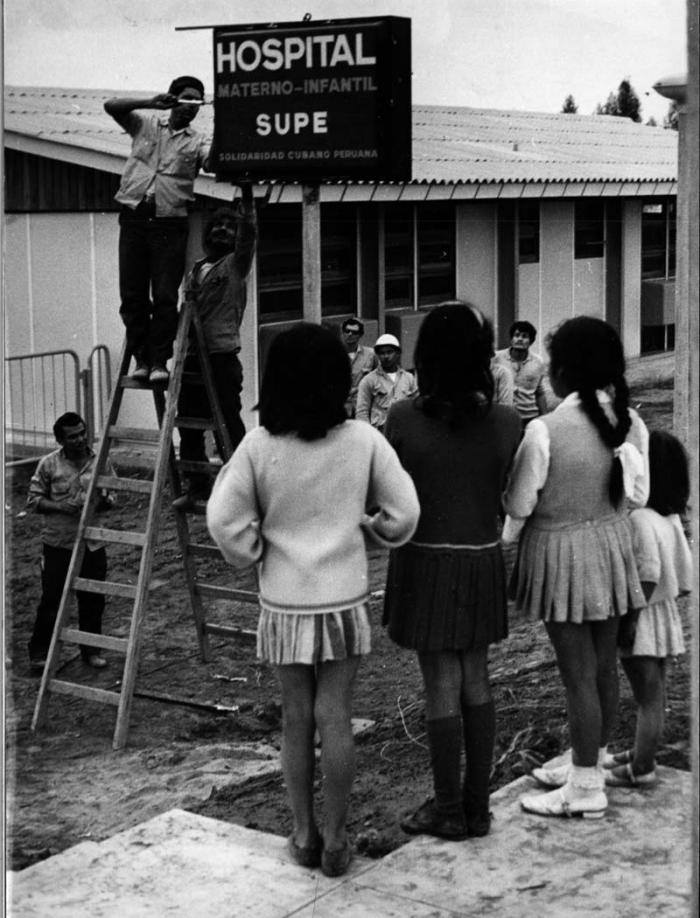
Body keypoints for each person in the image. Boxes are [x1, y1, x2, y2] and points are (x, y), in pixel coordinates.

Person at [206, 323, 419, 877]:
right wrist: (371, 533)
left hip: (283, 603)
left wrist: (257, 549)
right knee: (337, 717)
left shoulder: (258, 445)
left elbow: (223, 520)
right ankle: (338, 836)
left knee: (296, 718)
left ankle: (302, 832)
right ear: (335, 378)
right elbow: (406, 513)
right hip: (343, 600)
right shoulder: (364, 441)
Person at [383, 301, 522, 840]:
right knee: (477, 677)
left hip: (425, 560)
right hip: (482, 558)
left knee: (439, 680)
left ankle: (446, 807)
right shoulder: (508, 422)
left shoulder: (402, 419)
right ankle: (477, 806)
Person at [503, 316, 649, 818]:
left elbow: (519, 504)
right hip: (611, 551)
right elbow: (639, 495)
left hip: (560, 558)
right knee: (602, 665)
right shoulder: (631, 422)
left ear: (561, 372)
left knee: (577, 677)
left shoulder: (545, 430)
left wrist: (504, 539)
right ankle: (592, 758)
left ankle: (585, 788)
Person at [104, 76, 211, 384]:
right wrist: (151, 102)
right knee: (132, 293)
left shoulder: (198, 140)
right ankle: (141, 357)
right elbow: (111, 106)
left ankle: (159, 360)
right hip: (135, 215)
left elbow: (212, 159)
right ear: (173, 98)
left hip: (170, 220)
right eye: (186, 99)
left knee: (165, 294)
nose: (190, 107)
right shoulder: (146, 125)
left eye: (197, 102)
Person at [603, 430, 693, 787]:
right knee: (656, 695)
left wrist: (630, 618)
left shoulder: (640, 520)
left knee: (647, 699)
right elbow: (681, 572)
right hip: (664, 615)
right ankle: (642, 754)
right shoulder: (670, 518)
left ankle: (642, 768)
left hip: (641, 617)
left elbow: (649, 573)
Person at [176, 184, 257, 504]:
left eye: (229, 227)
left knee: (227, 420)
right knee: (189, 423)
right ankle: (197, 484)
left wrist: (247, 204)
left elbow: (249, 234)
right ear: (208, 233)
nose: (223, 230)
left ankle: (241, 487)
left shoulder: (235, 265)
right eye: (218, 226)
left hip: (222, 355)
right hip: (193, 356)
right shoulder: (197, 269)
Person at [26, 412, 115, 672]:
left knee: (92, 599)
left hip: (92, 543)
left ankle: (91, 651)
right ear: (60, 440)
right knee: (52, 599)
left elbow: (113, 495)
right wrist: (62, 507)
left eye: (82, 433)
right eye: (72, 436)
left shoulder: (101, 461)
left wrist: (105, 501)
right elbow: (33, 501)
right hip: (58, 544)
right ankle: (40, 654)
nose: (79, 440)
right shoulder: (48, 465)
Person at [355, 333, 417, 432]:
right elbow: (362, 413)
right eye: (382, 353)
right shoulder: (369, 380)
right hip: (381, 434)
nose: (386, 356)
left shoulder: (408, 378)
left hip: (404, 432)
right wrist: (371, 436)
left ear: (397, 353)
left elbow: (416, 407)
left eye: (390, 352)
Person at [493, 320, 547, 424]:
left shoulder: (538, 362)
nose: (520, 339)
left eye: (524, 336)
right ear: (511, 339)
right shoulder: (497, 358)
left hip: (529, 417)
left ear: (531, 341)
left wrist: (545, 417)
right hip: (504, 417)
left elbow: (539, 392)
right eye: (516, 335)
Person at [340, 318, 377, 418]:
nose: (350, 334)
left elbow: (377, 377)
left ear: (360, 335)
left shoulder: (370, 354)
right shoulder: (334, 355)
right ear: (342, 333)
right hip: (340, 406)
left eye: (354, 332)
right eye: (347, 331)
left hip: (363, 405)